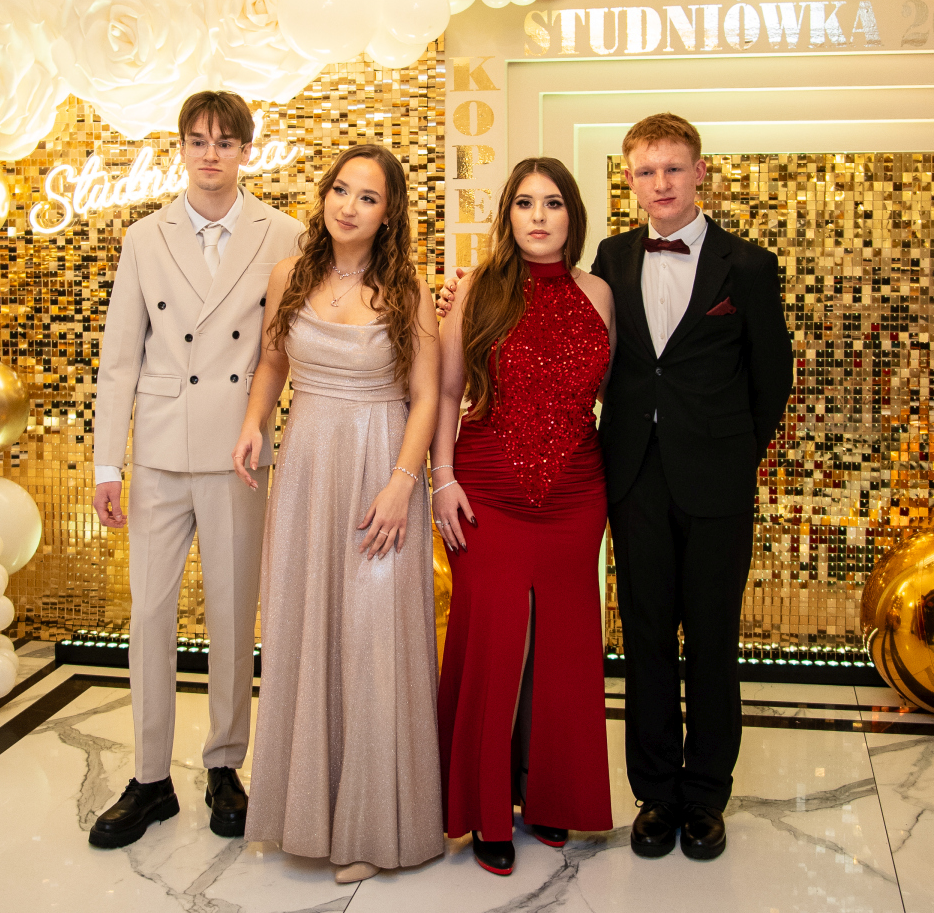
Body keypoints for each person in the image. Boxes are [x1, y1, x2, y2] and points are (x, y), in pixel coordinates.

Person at [437, 113, 792, 862]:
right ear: (628, 181)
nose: (661, 183)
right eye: (646, 171)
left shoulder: (749, 267)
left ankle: (706, 798)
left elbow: (772, 382)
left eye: (674, 168)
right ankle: (654, 797)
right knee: (645, 639)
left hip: (707, 485)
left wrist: (733, 459)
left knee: (713, 642)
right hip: (627, 480)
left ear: (700, 173)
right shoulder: (612, 262)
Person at [89, 90, 305, 848]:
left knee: (232, 614)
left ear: (247, 150)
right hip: (157, 451)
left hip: (238, 450)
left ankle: (223, 765)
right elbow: (119, 359)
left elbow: (287, 347)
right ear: (180, 148)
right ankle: (150, 779)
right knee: (148, 614)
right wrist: (107, 463)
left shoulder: (285, 234)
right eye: (197, 140)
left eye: (225, 141)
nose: (210, 154)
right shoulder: (145, 236)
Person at [233, 144, 443, 885]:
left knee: (373, 636)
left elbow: (427, 396)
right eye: (341, 190)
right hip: (308, 464)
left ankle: (373, 828)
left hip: (381, 460)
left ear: (389, 214)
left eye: (368, 197)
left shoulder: (407, 291)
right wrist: (254, 421)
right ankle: (306, 815)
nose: (348, 206)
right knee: (306, 626)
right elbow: (272, 362)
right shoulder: (288, 274)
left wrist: (402, 483)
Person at [431, 158, 615, 877]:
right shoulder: (477, 289)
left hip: (576, 495)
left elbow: (607, 395)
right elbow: (447, 392)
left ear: (573, 215)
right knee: (493, 645)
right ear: (507, 215)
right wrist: (441, 479)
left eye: (553, 203)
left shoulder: (598, 293)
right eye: (525, 203)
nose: (539, 216)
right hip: (486, 492)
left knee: (565, 650)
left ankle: (550, 795)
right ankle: (485, 809)